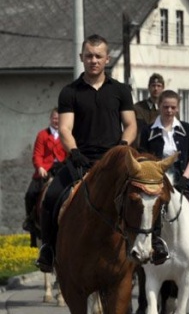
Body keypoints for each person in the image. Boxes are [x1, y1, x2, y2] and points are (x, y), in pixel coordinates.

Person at [35, 34, 139, 272]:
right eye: (89, 56)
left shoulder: (121, 90)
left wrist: (121, 146)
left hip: (115, 161)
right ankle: (48, 249)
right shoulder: (70, 92)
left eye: (98, 56)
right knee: (51, 197)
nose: (94, 60)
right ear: (82, 57)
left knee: (144, 196)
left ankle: (150, 244)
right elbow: (64, 128)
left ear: (107, 59)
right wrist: (74, 152)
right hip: (80, 160)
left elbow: (131, 124)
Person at [138, 89, 189, 203]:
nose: (169, 110)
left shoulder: (186, 128)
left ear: (177, 108)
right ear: (159, 106)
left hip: (184, 177)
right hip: (156, 179)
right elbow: (143, 159)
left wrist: (185, 178)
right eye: (165, 107)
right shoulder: (147, 130)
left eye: (173, 107)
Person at [23, 109, 67, 244]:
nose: (57, 121)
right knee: (30, 194)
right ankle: (31, 223)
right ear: (50, 119)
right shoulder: (42, 135)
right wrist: (40, 167)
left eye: (59, 119)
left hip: (62, 169)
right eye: (54, 118)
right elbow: (37, 154)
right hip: (45, 170)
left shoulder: (66, 135)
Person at [133, 73, 165, 146]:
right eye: (153, 86)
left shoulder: (167, 108)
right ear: (149, 87)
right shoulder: (138, 108)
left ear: (163, 88)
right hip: (142, 146)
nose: (156, 89)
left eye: (159, 86)